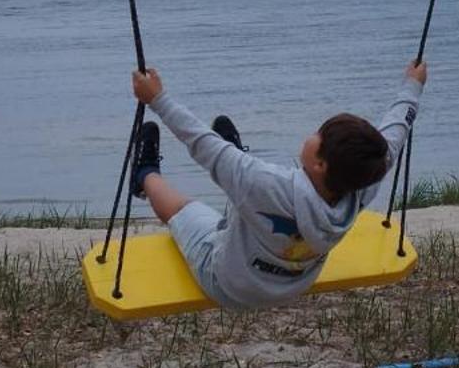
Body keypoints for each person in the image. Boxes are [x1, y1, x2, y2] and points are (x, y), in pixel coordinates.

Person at [124, 59, 427, 310]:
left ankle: (145, 176)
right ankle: (235, 160)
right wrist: (413, 86)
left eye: (318, 135)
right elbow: (396, 132)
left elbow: (201, 143)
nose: (312, 135)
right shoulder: (362, 181)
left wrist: (157, 99)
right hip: (292, 283)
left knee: (183, 209)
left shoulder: (267, 185)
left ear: (320, 163)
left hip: (227, 285)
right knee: (242, 180)